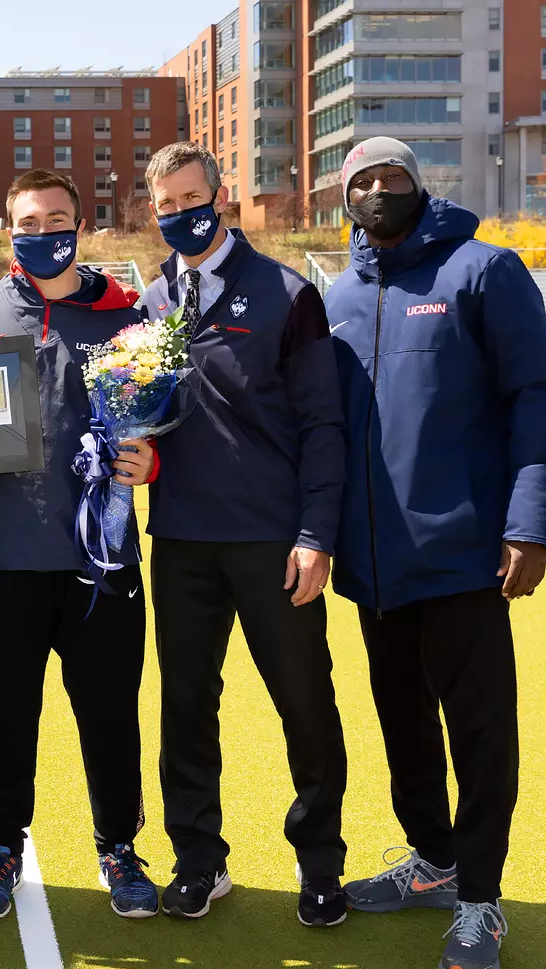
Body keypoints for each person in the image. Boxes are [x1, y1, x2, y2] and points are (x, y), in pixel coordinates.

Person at [326, 138, 546, 969]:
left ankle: (482, 897)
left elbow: (538, 397)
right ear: (344, 197)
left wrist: (529, 527)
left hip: (465, 557)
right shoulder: (342, 293)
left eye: (391, 176)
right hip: (374, 568)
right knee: (402, 725)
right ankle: (432, 860)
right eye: (362, 180)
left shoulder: (483, 271)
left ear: (418, 186)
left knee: (479, 731)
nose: (377, 189)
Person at [0, 168, 159, 922]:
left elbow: (164, 423)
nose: (43, 232)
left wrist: (153, 460)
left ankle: (118, 849)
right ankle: (1, 849)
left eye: (57, 218)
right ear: (9, 230)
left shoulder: (128, 316)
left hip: (102, 562)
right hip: (1, 560)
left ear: (81, 224)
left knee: (110, 715)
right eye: (28, 222)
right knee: (6, 716)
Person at [137, 142, 350, 928]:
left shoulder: (288, 293)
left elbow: (324, 426)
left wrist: (314, 534)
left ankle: (320, 862)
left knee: (305, 701)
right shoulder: (152, 301)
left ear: (220, 197)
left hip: (273, 541)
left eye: (191, 199)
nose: (180, 215)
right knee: (186, 705)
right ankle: (199, 859)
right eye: (165, 206)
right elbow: (153, 416)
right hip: (183, 541)